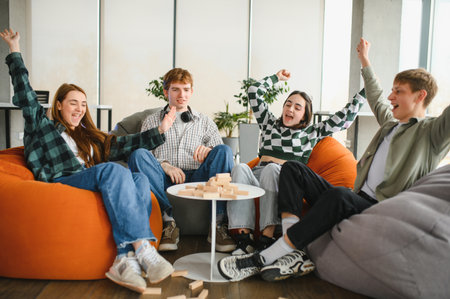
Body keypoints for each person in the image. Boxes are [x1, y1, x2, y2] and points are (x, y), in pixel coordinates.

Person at [218, 37, 450, 282]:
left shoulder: (431, 132)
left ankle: (265, 256)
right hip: (355, 196)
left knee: (327, 190)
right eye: (288, 104)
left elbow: (349, 113)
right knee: (292, 169)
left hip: (381, 205)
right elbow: (375, 96)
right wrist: (364, 59)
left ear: (420, 96)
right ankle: (290, 250)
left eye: (398, 91)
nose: (391, 96)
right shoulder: (390, 124)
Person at [1, 28, 176, 293]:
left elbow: (122, 145)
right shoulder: (42, 126)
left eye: (83, 104)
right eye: (73, 103)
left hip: (88, 179)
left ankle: (124, 259)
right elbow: (24, 92)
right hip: (62, 180)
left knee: (138, 178)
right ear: (58, 105)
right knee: (112, 171)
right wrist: (14, 49)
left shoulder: (90, 138)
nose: (80, 109)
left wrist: (160, 131)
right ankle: (143, 248)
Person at [227, 69, 365, 255]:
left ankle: (267, 238)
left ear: (305, 115)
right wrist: (277, 78)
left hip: (280, 178)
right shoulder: (269, 124)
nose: (290, 109)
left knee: (271, 170)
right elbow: (253, 91)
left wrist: (367, 91)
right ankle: (244, 240)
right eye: (288, 104)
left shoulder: (311, 133)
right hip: (257, 175)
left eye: (297, 107)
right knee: (240, 167)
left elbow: (344, 118)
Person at [139, 68, 236, 252]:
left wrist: (209, 152)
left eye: (186, 89)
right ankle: (168, 222)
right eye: (175, 89)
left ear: (192, 92)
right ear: (166, 92)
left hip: (199, 179)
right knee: (138, 154)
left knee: (223, 150)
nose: (181, 95)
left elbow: (223, 157)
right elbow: (143, 156)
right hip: (164, 179)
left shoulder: (205, 122)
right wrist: (164, 165)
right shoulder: (152, 121)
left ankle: (217, 225)